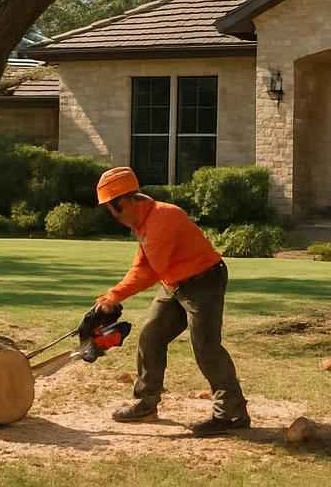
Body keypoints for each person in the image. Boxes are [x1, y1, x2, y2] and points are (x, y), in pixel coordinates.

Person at [89, 166, 248, 436]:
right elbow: (142, 264)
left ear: (124, 202)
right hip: (174, 283)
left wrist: (114, 297)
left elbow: (151, 270)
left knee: (206, 347)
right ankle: (146, 403)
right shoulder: (143, 222)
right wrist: (110, 296)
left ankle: (232, 415)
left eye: (111, 209)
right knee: (150, 336)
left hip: (203, 281)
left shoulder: (163, 218)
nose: (112, 216)